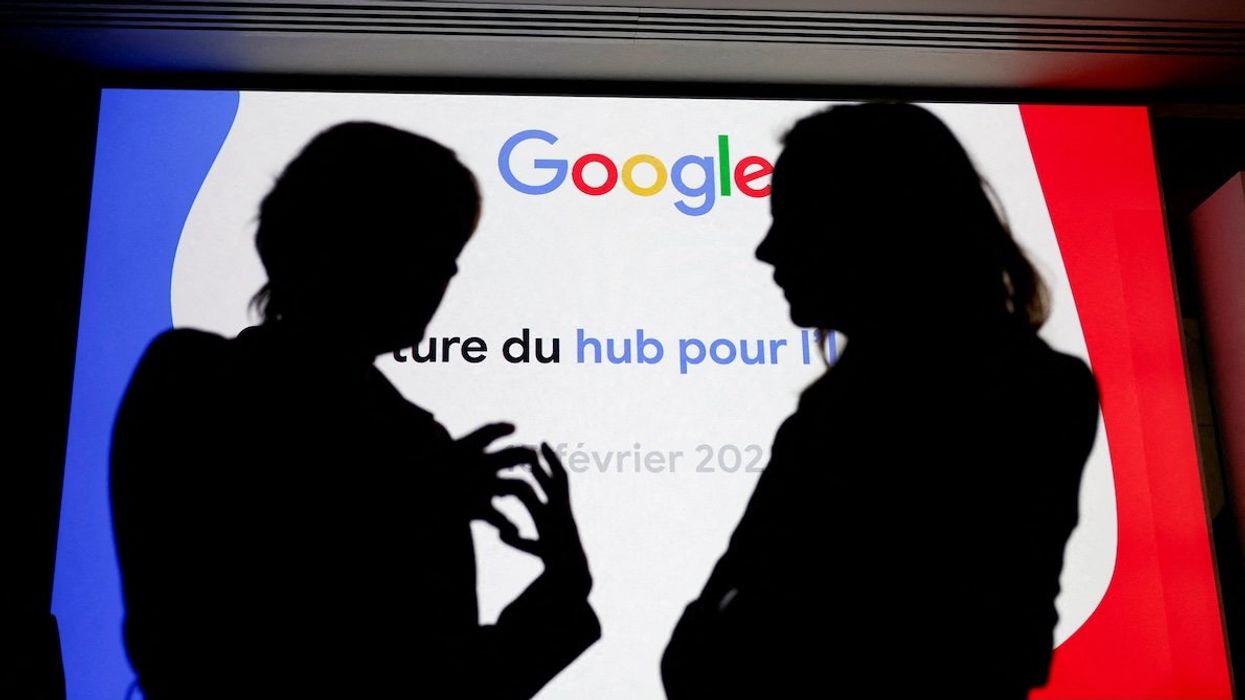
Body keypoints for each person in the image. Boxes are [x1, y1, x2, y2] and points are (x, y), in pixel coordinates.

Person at [111, 122, 599, 698]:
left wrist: (564, 591)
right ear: (325, 242)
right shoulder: (195, 378)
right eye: (418, 244)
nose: (444, 275)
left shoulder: (418, 442)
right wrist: (416, 500)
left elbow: (443, 681)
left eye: (449, 254)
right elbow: (212, 625)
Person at [661, 103, 1100, 699]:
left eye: (793, 218)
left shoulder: (853, 419)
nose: (768, 250)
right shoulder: (1037, 391)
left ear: (877, 227)